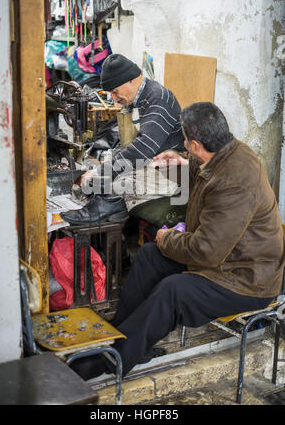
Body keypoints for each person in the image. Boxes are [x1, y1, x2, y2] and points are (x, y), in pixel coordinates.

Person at [70, 102, 285, 380]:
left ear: (196, 143)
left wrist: (167, 237)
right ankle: (124, 340)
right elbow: (204, 179)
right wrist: (180, 165)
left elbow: (206, 251)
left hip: (247, 279)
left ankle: (113, 362)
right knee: (150, 256)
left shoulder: (235, 181)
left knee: (174, 289)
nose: (183, 144)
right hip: (226, 260)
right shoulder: (226, 152)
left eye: (185, 141)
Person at [61, 54, 185, 226]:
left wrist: (101, 172)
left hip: (172, 174)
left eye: (115, 92)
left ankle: (109, 212)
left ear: (132, 81)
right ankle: (109, 211)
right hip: (150, 164)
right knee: (93, 178)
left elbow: (142, 149)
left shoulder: (158, 100)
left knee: (109, 182)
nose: (114, 98)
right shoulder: (138, 100)